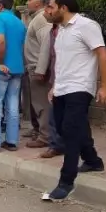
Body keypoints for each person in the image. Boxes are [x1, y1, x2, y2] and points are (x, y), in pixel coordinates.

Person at [43, 0, 106, 201]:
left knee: (71, 132)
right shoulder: (61, 31)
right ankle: (93, 160)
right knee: (70, 128)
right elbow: (64, 62)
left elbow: (102, 54)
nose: (49, 11)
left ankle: (66, 182)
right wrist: (55, 86)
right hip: (62, 88)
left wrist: (105, 86)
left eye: (51, 7)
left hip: (80, 88)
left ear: (63, 8)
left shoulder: (87, 26)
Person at [0, 0, 27, 152]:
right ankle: (11, 141)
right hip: (17, 69)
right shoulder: (20, 22)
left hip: (0, 69)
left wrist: (1, 63)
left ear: (1, 5)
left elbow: (1, 40)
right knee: (13, 105)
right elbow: (22, 46)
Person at [23, 0, 54, 148]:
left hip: (38, 69)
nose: (27, 2)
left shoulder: (41, 19)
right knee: (38, 104)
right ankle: (41, 132)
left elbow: (46, 44)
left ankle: (45, 137)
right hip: (34, 67)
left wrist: (41, 70)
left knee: (41, 104)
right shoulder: (37, 18)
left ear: (38, 3)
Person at [39, 22, 65, 159]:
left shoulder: (68, 30)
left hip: (67, 80)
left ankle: (58, 145)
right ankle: (57, 145)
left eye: (50, 7)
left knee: (58, 115)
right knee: (54, 114)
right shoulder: (52, 30)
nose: (47, 11)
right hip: (55, 77)